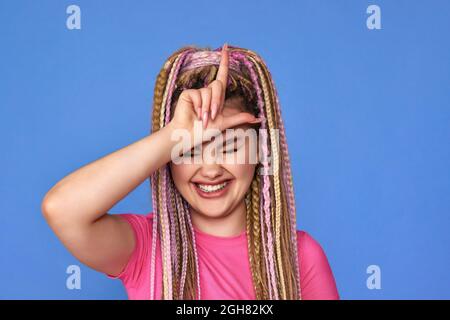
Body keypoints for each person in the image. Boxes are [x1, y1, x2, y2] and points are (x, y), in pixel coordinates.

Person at [42, 43, 339, 300]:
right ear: (168, 157)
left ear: (260, 152)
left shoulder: (299, 256)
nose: (210, 169)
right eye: (190, 149)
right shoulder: (147, 247)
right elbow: (62, 209)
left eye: (230, 146)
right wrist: (174, 134)